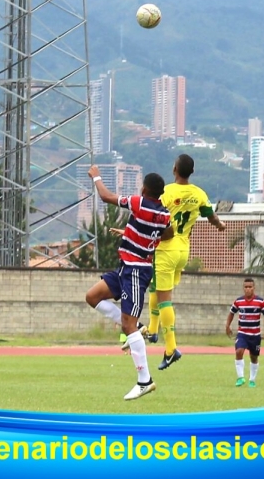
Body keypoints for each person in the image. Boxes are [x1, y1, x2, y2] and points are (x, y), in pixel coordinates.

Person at [84, 165, 172, 400]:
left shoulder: (139, 203)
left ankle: (145, 380)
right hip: (125, 268)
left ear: (144, 189)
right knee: (92, 296)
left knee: (127, 326)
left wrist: (96, 176)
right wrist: (132, 233)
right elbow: (167, 234)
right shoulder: (164, 214)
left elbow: (105, 196)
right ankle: (139, 328)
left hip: (135, 271)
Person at [142, 154, 226, 371]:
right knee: (156, 287)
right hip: (183, 249)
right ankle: (152, 330)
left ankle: (171, 350)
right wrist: (220, 226)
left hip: (165, 248)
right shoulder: (198, 194)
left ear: (174, 169)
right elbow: (212, 216)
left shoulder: (167, 192)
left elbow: (151, 215)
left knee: (164, 300)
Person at [225, 278, 264, 387]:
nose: (248, 289)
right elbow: (231, 313)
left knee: (253, 357)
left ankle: (252, 380)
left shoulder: (261, 301)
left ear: (254, 288)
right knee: (239, 351)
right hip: (242, 333)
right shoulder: (238, 301)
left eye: (250, 287)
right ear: (243, 288)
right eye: (246, 287)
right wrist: (227, 325)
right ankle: (240, 378)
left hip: (255, 335)